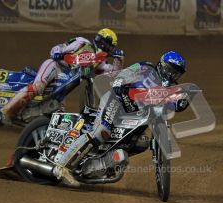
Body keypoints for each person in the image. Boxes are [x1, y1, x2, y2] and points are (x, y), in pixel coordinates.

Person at [52, 51, 189, 187]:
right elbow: (128, 72)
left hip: (129, 117)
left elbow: (173, 103)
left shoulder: (167, 89)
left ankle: (99, 164)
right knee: (101, 132)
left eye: (177, 73)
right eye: (171, 70)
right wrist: (119, 81)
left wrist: (181, 102)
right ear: (162, 65)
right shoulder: (147, 68)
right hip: (116, 100)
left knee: (141, 143)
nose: (172, 75)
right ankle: (62, 166)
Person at [1, 28, 124, 123]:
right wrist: (58, 53)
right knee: (38, 87)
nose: (110, 49)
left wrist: (119, 58)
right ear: (105, 43)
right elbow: (59, 47)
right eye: (111, 46)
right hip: (57, 66)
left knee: (58, 110)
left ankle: (32, 120)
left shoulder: (100, 62)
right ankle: (6, 112)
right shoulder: (82, 42)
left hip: (68, 79)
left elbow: (113, 74)